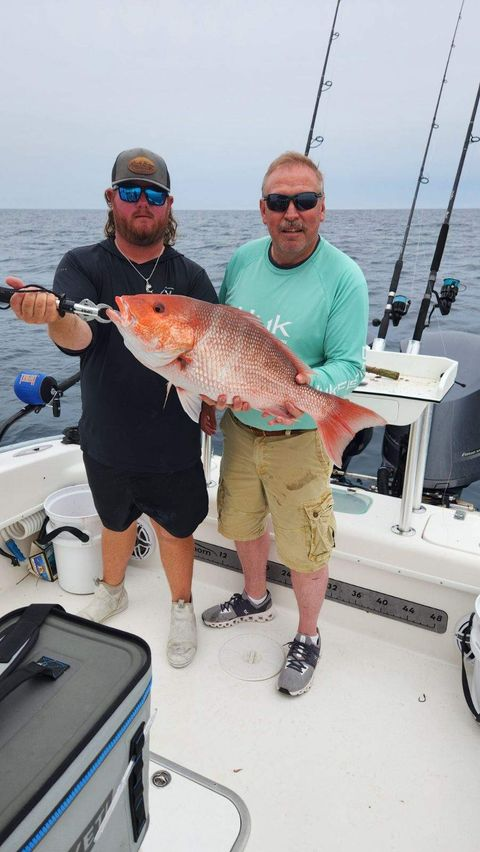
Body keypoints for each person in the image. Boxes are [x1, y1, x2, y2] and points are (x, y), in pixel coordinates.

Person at [7, 147, 218, 669]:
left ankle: (182, 605)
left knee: (176, 528)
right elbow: (78, 336)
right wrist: (50, 316)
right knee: (115, 519)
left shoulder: (189, 277)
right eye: (130, 192)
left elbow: (213, 349)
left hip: (174, 440)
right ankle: (113, 589)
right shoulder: (82, 264)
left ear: (168, 206)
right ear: (111, 199)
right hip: (105, 436)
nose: (142, 203)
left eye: (154, 195)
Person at [201, 151, 368, 696]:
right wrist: (212, 394)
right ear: (262, 210)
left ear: (323, 208)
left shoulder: (345, 277)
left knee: (305, 545)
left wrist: (307, 386)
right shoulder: (243, 261)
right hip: (243, 429)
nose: (291, 212)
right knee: (242, 523)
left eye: (304, 200)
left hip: (301, 438)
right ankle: (254, 597)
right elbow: (221, 342)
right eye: (279, 201)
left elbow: (350, 365)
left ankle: (308, 634)